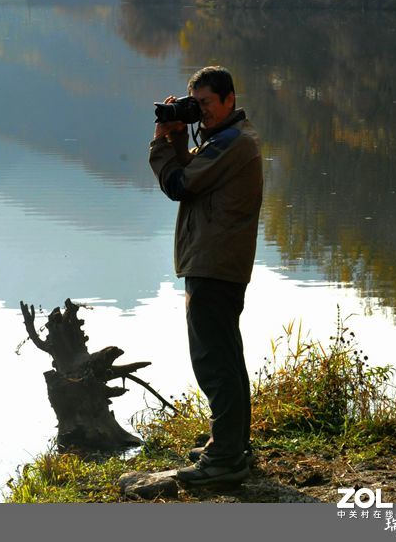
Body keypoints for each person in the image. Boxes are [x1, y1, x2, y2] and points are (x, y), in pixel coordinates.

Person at [148, 66, 263, 485]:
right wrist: (180, 134)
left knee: (213, 360)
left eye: (208, 104)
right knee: (227, 357)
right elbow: (196, 175)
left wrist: (160, 143)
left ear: (230, 98)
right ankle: (232, 442)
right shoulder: (226, 139)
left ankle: (226, 458)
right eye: (197, 104)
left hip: (214, 263)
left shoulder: (232, 143)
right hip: (218, 261)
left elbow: (180, 183)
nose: (203, 112)